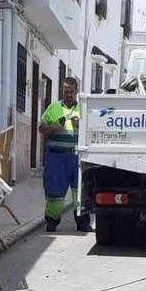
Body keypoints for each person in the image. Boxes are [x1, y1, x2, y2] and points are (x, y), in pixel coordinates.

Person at [39, 76, 91, 234]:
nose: (68, 94)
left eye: (71, 91)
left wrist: (80, 125)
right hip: (56, 157)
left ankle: (82, 222)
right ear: (62, 90)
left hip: (76, 157)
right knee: (54, 190)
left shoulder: (82, 108)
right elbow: (41, 128)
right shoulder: (53, 108)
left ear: (76, 92)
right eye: (66, 91)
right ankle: (51, 221)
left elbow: (91, 129)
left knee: (80, 191)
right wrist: (52, 127)